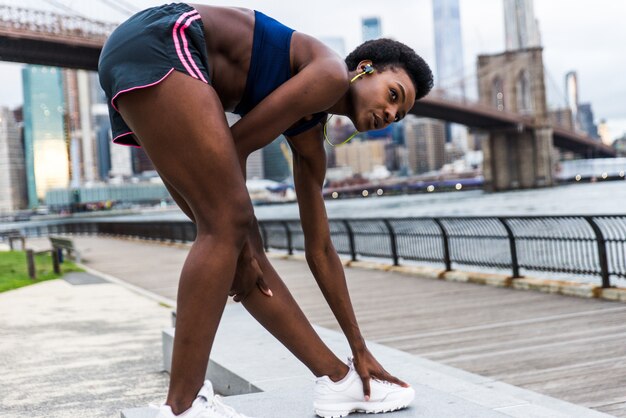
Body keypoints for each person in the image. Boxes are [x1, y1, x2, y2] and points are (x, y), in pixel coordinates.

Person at [98, 3, 433, 418]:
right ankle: (182, 406)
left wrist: (359, 349)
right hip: (167, 40)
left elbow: (321, 249)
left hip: (136, 56)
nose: (389, 114)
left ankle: (338, 380)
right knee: (230, 232)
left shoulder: (310, 139)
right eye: (393, 95)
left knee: (238, 252)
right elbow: (236, 145)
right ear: (364, 68)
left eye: (399, 114)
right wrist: (245, 237)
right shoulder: (328, 73)